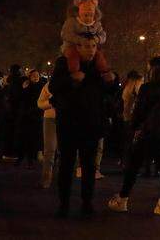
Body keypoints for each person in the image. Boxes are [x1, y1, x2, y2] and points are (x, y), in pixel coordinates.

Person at [109, 56, 160, 216]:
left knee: (133, 168)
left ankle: (123, 199)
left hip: (146, 134)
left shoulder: (146, 88)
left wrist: (134, 127)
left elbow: (139, 112)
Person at [49, 37, 112, 218]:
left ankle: (87, 202)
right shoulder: (65, 63)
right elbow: (54, 86)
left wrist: (111, 81)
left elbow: (107, 92)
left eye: (93, 46)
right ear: (77, 47)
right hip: (69, 123)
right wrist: (71, 79)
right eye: (86, 46)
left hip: (91, 124)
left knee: (89, 165)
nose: (91, 50)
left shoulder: (99, 66)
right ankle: (64, 203)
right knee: (67, 164)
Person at [61, 0, 112, 82]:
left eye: (91, 15)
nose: (88, 18)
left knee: (99, 56)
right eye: (85, 15)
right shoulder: (72, 22)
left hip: (91, 47)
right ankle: (74, 73)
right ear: (79, 13)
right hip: (73, 46)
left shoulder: (96, 24)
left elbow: (103, 35)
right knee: (72, 55)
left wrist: (97, 39)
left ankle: (104, 72)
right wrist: (79, 40)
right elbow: (66, 34)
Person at [0, 64, 23, 160]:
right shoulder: (19, 83)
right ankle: (12, 152)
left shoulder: (8, 83)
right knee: (14, 132)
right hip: (16, 110)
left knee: (7, 132)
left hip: (7, 110)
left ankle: (5, 151)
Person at [38, 80, 57, 189]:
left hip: (67, 118)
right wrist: (51, 103)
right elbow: (40, 103)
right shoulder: (49, 85)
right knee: (49, 150)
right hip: (51, 118)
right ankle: (46, 178)